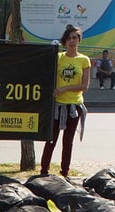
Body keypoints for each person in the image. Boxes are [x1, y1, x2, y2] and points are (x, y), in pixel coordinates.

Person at [40, 24, 89, 180]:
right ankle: (44, 171)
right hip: (57, 105)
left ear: (79, 40)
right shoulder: (59, 57)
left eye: (74, 37)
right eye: (69, 38)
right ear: (64, 41)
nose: (71, 41)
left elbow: (84, 86)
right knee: (51, 139)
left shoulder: (84, 60)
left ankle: (65, 172)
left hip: (74, 106)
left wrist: (65, 89)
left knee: (68, 142)